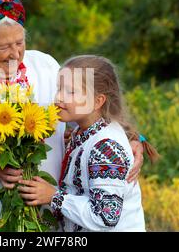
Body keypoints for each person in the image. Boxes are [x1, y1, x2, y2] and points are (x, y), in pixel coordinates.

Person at [0, 0, 145, 232]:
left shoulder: (44, 65)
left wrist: (132, 140)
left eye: (20, 43)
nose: (15, 55)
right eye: (4, 47)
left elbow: (89, 111)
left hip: (59, 219)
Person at [18, 55, 159, 231]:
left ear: (98, 101)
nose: (59, 97)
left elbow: (106, 217)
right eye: (59, 89)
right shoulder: (82, 132)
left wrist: (54, 197)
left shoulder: (106, 147)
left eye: (71, 92)